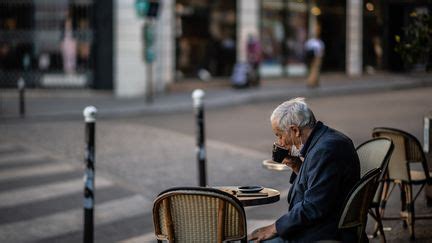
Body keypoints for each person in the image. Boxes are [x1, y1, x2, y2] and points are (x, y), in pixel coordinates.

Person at [248, 97, 360, 242]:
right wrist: (296, 166)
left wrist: (274, 228)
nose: (280, 142)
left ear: (295, 130)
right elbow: (318, 186)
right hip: (319, 225)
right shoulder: (323, 140)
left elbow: (314, 207)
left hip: (324, 232)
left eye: (280, 135)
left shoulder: (325, 150)